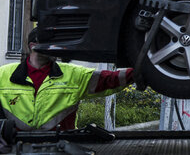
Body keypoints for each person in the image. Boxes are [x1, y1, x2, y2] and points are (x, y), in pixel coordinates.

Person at [0, 28, 134, 131]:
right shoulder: (4, 74)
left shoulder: (73, 74)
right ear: (33, 46)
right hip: (16, 147)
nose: (57, 48)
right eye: (51, 44)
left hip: (61, 146)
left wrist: (141, 71)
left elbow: (110, 80)